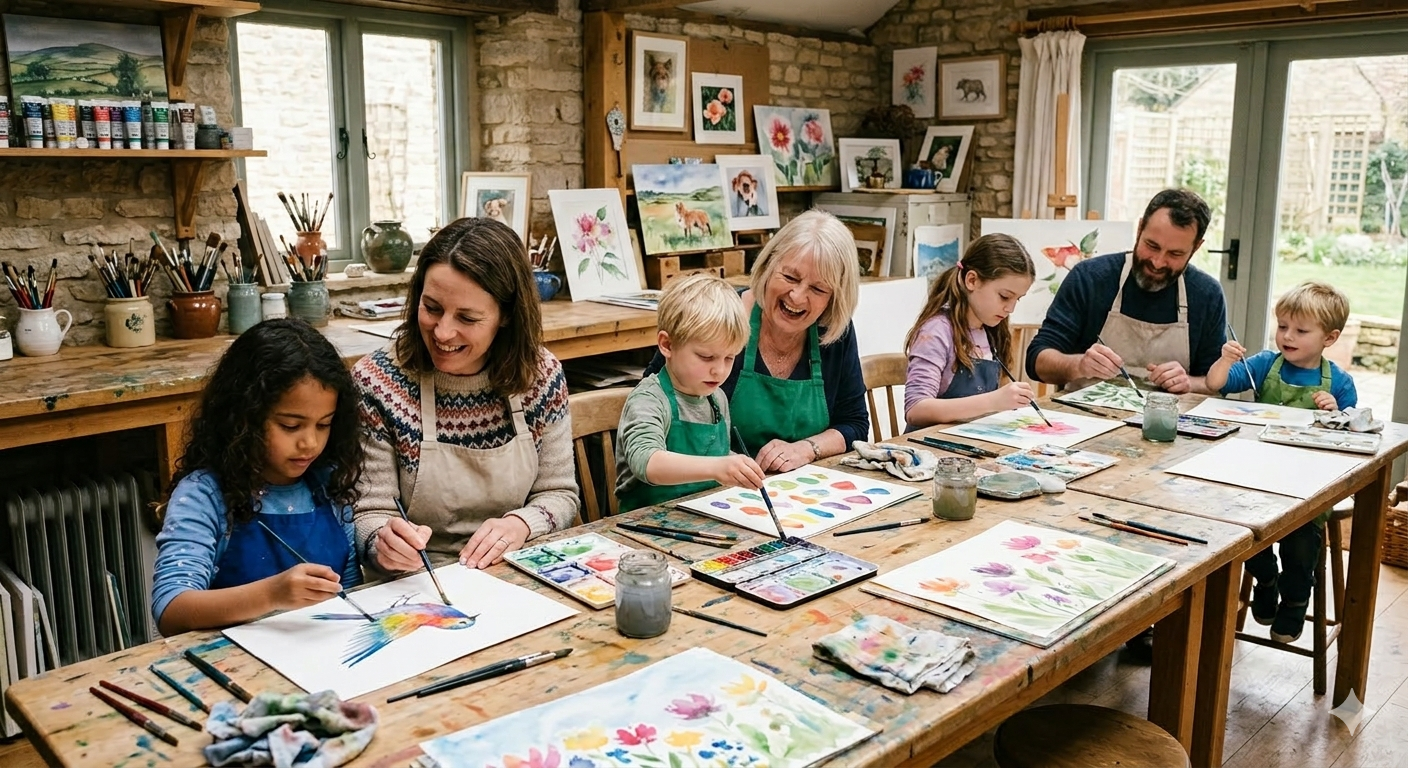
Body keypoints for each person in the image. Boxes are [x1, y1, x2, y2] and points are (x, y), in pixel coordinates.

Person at [353, 217, 578, 575]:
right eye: (432, 308)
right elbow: (370, 511)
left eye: (468, 318)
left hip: (515, 570)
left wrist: (522, 524)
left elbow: (560, 494)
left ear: (506, 316)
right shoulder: (379, 381)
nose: (443, 332)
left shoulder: (540, 375)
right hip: (415, 583)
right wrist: (382, 542)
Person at [151, 319, 364, 635]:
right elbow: (171, 609)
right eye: (291, 426)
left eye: (324, 424)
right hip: (232, 663)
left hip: (319, 657)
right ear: (244, 419)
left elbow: (348, 591)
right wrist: (271, 594)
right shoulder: (205, 495)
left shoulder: (327, 483)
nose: (310, 443)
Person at [643, 209, 868, 472]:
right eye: (790, 277)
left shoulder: (832, 332)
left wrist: (806, 449)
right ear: (769, 265)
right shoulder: (720, 317)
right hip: (702, 491)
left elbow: (854, 424)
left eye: (818, 289)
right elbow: (653, 400)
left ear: (834, 297)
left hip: (794, 490)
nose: (796, 296)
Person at [1206, 281, 1357, 643]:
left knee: (1300, 545)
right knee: (1241, 533)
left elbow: (1354, 432)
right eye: (1283, 326)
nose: (1287, 336)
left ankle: (1294, 599)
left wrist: (1336, 412)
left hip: (1306, 486)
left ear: (1330, 338)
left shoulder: (1338, 381)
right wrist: (1226, 360)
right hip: (1257, 477)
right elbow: (1215, 384)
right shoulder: (1262, 364)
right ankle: (1265, 579)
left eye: (1301, 331)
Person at [1026, 188, 1227, 395]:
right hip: (1088, 420)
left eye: (1175, 254)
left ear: (1196, 248)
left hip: (1167, 422)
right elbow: (1036, 361)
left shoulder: (1207, 295)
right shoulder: (1090, 278)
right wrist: (1078, 365)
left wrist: (1189, 383)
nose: (1158, 262)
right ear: (1140, 228)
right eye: (1152, 245)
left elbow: (1216, 383)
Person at [615, 274, 763, 511]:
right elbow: (648, 462)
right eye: (706, 357)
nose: (719, 370)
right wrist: (718, 467)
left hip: (704, 515)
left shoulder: (716, 399)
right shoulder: (649, 399)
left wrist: (739, 467)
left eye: (729, 357)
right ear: (667, 345)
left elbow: (716, 456)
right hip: (645, 524)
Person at [903, 234, 1038, 430]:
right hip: (930, 448)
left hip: (970, 442)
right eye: (1004, 296)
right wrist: (994, 401)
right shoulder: (937, 332)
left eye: (1018, 299)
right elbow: (916, 410)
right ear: (972, 280)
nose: (1011, 308)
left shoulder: (990, 329)